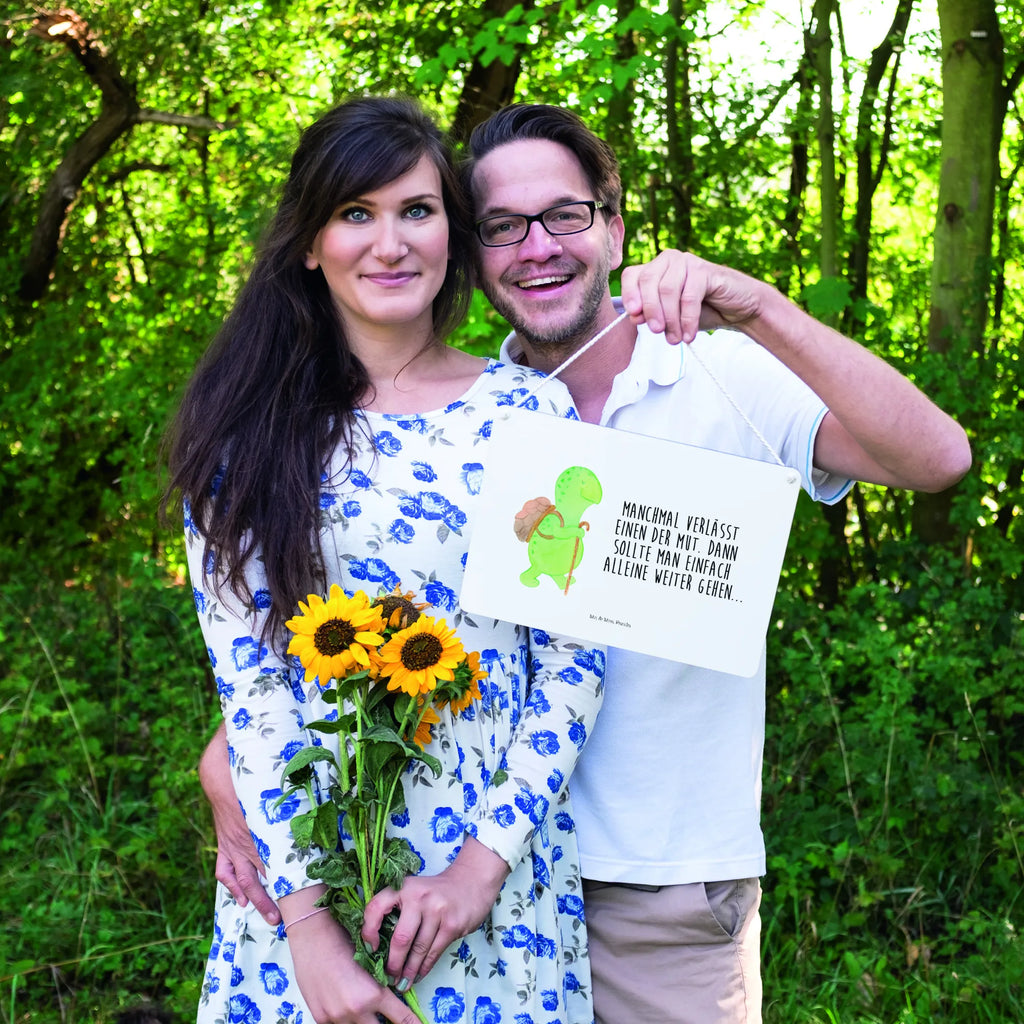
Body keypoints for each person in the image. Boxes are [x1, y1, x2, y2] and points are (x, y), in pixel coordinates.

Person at [201, 102, 972, 1024]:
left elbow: (938, 461)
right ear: (474, 252)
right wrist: (236, 769)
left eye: (564, 215)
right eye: (502, 227)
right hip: (419, 876)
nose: (537, 247)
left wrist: (759, 306)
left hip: (651, 888)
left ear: (612, 226)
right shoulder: (455, 418)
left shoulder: (711, 374)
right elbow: (330, 633)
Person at [165, 96, 608, 1024]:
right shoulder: (244, 438)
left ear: (452, 229)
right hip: (303, 887)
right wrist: (311, 936)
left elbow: (574, 661)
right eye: (355, 214)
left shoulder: (532, 415)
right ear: (308, 243)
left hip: (492, 888)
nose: (390, 242)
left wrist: (478, 872)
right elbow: (252, 692)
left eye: (417, 210)